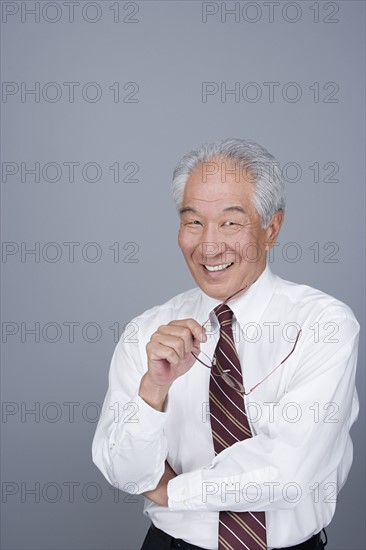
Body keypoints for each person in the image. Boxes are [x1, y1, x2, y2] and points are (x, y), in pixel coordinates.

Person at [92, 139, 359, 550]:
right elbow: (125, 473)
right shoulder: (148, 331)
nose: (209, 245)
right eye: (193, 222)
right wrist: (153, 391)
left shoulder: (323, 324)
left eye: (231, 223)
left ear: (271, 228)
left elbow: (287, 471)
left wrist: (171, 492)